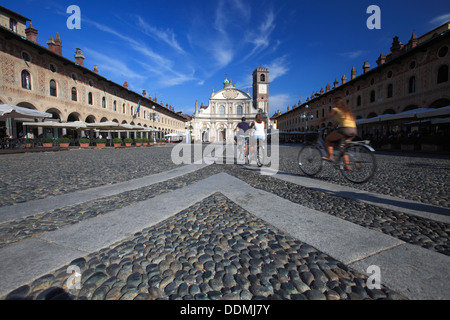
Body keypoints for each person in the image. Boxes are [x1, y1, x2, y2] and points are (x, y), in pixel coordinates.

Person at [316, 98, 357, 167]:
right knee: (343, 148)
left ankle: (330, 157)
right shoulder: (346, 111)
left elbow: (325, 118)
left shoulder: (336, 109)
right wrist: (332, 126)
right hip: (354, 130)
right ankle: (347, 165)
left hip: (345, 129)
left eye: (334, 103)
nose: (333, 104)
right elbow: (339, 121)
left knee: (328, 139)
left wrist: (316, 124)